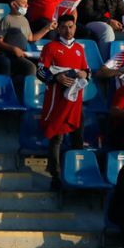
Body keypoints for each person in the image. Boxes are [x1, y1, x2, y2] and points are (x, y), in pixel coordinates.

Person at [38, 14, 88, 190]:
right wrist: (56, 77)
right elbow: (40, 72)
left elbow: (86, 70)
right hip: (57, 98)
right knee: (57, 136)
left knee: (78, 136)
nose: (68, 30)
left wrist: (84, 74)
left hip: (75, 100)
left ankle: (77, 173)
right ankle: (55, 175)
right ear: (58, 28)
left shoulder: (80, 49)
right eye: (65, 27)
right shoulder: (50, 47)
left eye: (71, 27)